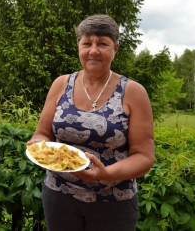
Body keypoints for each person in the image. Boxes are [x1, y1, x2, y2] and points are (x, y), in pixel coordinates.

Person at [27, 14, 155, 231]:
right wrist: (38, 147)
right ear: (79, 46)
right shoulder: (61, 84)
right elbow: (42, 134)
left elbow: (144, 157)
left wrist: (106, 173)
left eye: (102, 43)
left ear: (115, 49)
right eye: (87, 43)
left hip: (113, 203)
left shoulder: (132, 92)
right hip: (59, 196)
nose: (93, 50)